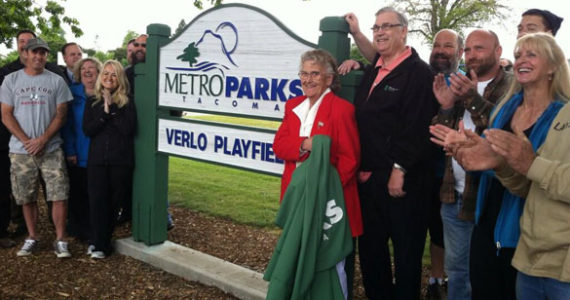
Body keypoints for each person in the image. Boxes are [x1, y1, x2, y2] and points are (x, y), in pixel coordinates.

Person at [431, 32, 566, 300]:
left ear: (553, 66)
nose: (521, 61)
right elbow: (491, 152)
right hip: (484, 209)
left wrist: (511, 161)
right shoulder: (509, 105)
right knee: (470, 277)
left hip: (528, 225)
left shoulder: (561, 115)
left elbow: (530, 175)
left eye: (531, 54)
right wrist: (469, 149)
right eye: (518, 56)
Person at [348, 7, 436, 299]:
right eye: (376, 28)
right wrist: (356, 62)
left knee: (406, 253)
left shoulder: (418, 73)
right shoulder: (376, 68)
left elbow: (417, 126)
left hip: (403, 180)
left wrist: (399, 169)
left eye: (387, 26)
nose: (380, 32)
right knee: (372, 252)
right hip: (370, 176)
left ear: (403, 31)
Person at [272, 48, 362, 299]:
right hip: (297, 198)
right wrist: (305, 144)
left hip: (329, 205)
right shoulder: (293, 106)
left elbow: (350, 160)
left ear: (329, 79)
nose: (308, 80)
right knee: (297, 260)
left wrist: (324, 193)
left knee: (330, 265)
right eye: (304, 74)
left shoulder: (341, 110)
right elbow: (279, 145)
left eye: (315, 74)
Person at [431, 29, 512, 300]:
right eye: (467, 50)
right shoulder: (459, 82)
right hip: (454, 196)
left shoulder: (511, 86)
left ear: (498, 51)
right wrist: (444, 107)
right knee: (456, 270)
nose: (472, 55)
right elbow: (438, 136)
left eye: (479, 49)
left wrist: (471, 98)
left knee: (486, 271)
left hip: (490, 198)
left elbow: (504, 131)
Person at [0, 38, 73, 258]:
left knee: (59, 194)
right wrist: (26, 140)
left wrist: (43, 139)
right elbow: (6, 114)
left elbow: (61, 114)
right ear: (26, 53)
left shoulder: (56, 81)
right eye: (35, 52)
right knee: (26, 196)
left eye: (43, 53)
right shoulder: (10, 81)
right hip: (21, 151)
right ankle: (32, 236)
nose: (39, 57)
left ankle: (60, 240)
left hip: (51, 149)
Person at [423, 28, 465, 300]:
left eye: (448, 46)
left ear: (460, 52)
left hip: (450, 173)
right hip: (419, 168)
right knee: (425, 226)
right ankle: (434, 277)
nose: (440, 50)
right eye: (437, 45)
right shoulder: (421, 75)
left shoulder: (465, 83)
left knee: (445, 231)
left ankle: (443, 279)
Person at [83, 60, 136, 259]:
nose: (108, 78)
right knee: (97, 202)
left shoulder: (127, 102)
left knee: (112, 205)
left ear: (120, 78)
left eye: (113, 75)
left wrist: (111, 107)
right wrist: (104, 114)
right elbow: (88, 130)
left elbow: (127, 130)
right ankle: (97, 241)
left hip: (119, 162)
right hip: (97, 161)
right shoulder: (92, 101)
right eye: (105, 74)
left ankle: (102, 245)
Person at [61, 57, 102, 245]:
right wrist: (70, 150)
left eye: (92, 68)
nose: (87, 71)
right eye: (83, 68)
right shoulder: (72, 94)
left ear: (98, 72)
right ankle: (80, 230)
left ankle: (96, 229)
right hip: (77, 153)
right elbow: (67, 126)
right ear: (78, 73)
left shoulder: (106, 93)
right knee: (78, 194)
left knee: (97, 195)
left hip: (99, 154)